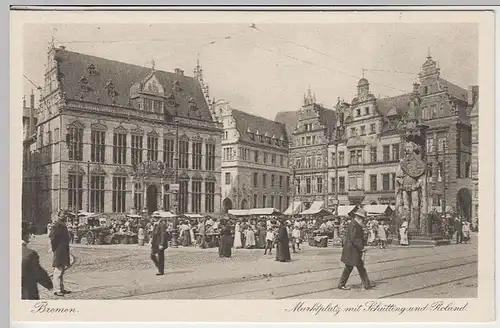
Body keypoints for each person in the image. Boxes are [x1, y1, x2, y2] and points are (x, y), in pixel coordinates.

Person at [338, 208, 374, 290]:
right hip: (352, 251)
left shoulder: (355, 224)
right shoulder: (354, 224)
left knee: (358, 267)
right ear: (358, 217)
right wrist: (362, 248)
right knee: (351, 267)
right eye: (362, 219)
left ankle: (366, 284)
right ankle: (342, 284)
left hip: (353, 251)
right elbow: (354, 238)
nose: (363, 221)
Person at [22, 223, 53, 299]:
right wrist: (48, 284)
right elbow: (38, 272)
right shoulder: (30, 254)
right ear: (25, 236)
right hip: (27, 292)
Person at [49, 214, 71, 297]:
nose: (65, 216)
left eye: (65, 214)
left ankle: (61, 288)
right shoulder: (57, 224)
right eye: (63, 214)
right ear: (59, 216)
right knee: (58, 270)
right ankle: (57, 290)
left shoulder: (61, 224)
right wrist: (54, 248)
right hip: (59, 250)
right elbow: (52, 237)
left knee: (61, 270)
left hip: (63, 250)